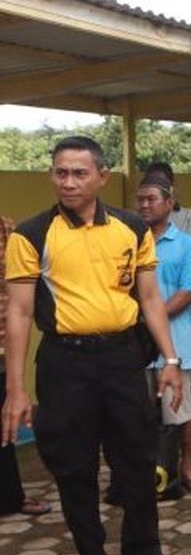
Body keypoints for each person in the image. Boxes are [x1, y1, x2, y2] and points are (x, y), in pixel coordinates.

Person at [2, 136, 183, 555]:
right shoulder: (31, 235)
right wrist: (15, 389)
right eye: (60, 172)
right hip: (65, 364)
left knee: (137, 466)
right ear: (52, 175)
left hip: (122, 358)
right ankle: (90, 547)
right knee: (73, 470)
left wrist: (170, 359)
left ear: (102, 177)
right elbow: (21, 313)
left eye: (79, 173)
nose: (68, 182)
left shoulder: (132, 229)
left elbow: (151, 298)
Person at [135, 175, 191, 494]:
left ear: (169, 202)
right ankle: (149, 471)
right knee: (140, 413)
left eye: (151, 198)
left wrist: (151, 317)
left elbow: (190, 290)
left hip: (174, 346)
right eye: (140, 199)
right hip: (136, 347)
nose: (144, 205)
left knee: (180, 412)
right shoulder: (131, 240)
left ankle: (186, 465)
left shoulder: (186, 244)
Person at [0, 215, 51, 518]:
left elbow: (19, 292)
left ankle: (10, 497)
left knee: (4, 427)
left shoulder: (9, 229)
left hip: (3, 341)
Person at [142, 162, 191, 252]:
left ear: (172, 186)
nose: (157, 188)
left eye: (162, 183)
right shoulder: (138, 219)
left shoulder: (190, 217)